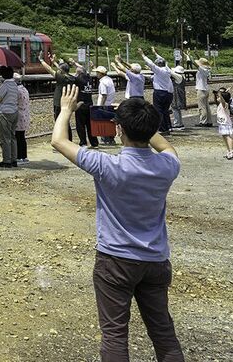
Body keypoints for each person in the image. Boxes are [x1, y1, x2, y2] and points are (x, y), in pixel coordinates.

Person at [51, 84, 184, 361]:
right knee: (163, 333)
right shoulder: (167, 167)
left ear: (118, 129)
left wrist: (65, 110)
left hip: (115, 261)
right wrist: (143, 124)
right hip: (156, 261)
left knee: (114, 335)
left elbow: (59, 142)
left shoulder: (106, 165)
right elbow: (167, 146)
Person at [38, 53, 74, 142]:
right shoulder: (72, 78)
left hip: (59, 103)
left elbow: (49, 69)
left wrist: (41, 60)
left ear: (61, 71)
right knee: (66, 122)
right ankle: (69, 140)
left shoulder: (61, 78)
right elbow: (61, 70)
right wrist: (54, 62)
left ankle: (62, 141)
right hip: (67, 104)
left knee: (59, 122)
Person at [140, 49, 174, 135]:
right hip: (168, 93)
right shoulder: (167, 69)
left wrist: (143, 55)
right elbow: (154, 77)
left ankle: (162, 129)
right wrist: (155, 53)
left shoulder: (160, 70)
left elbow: (150, 63)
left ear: (158, 64)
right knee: (165, 110)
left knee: (159, 111)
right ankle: (167, 127)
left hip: (159, 93)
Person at [0, 66, 20, 168]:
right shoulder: (14, 84)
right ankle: (14, 159)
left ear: (3, 75)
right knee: (13, 137)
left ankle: (7, 161)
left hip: (4, 113)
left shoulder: (4, 85)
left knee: (5, 138)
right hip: (14, 112)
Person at [73, 64, 99, 149]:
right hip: (90, 104)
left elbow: (73, 78)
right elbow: (84, 70)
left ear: (78, 73)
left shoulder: (78, 79)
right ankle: (94, 142)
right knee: (90, 125)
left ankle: (83, 142)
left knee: (80, 125)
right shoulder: (89, 79)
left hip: (81, 105)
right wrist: (75, 64)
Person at [92, 66, 117, 145]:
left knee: (103, 123)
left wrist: (101, 106)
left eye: (97, 72)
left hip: (104, 105)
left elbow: (104, 95)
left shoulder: (102, 82)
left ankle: (105, 140)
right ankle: (111, 139)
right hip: (110, 103)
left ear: (100, 73)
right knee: (110, 122)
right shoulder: (109, 79)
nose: (96, 74)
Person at [215, 88, 233, 160]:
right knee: (224, 137)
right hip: (222, 124)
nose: (217, 98)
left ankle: (232, 150)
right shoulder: (220, 104)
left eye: (218, 97)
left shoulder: (225, 104)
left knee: (227, 137)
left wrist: (221, 95)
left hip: (226, 123)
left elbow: (223, 101)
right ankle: (228, 150)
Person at [15, 73, 31, 163]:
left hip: (19, 116)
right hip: (25, 116)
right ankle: (24, 156)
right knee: (22, 137)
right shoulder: (24, 89)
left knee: (18, 137)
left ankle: (19, 156)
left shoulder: (17, 90)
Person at [169, 64, 187, 130]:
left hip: (177, 94)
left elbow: (170, 72)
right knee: (177, 109)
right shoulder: (182, 76)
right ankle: (180, 123)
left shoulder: (178, 76)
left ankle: (177, 124)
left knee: (175, 108)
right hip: (180, 93)